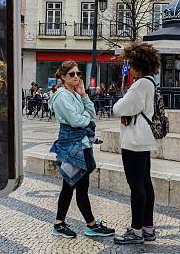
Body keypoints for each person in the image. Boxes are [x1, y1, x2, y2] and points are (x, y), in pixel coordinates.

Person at [48, 61, 115, 239]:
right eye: (72, 74)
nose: (76, 77)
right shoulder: (62, 96)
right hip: (71, 145)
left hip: (82, 144)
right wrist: (85, 117)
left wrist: (84, 96)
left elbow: (92, 113)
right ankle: (67, 224)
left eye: (78, 73)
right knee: (71, 185)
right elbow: (76, 121)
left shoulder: (76, 94)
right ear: (62, 77)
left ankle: (77, 224)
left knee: (77, 185)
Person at [111, 42, 160, 245]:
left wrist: (123, 106)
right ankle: (147, 227)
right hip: (144, 139)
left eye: (131, 63)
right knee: (145, 183)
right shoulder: (150, 81)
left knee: (136, 185)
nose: (129, 67)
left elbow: (118, 108)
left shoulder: (140, 84)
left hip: (134, 140)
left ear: (138, 64)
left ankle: (137, 230)